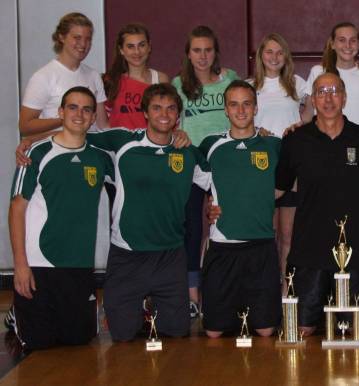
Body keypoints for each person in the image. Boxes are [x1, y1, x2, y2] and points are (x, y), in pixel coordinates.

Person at [277, 73, 359, 335]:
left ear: (344, 97)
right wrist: (225, 206)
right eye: (321, 92)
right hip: (309, 252)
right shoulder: (295, 141)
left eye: (334, 91)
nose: (328, 98)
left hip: (357, 252)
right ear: (313, 99)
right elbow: (275, 190)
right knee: (301, 330)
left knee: (352, 330)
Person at [88, 84, 209, 341]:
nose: (164, 114)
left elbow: (216, 182)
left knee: (177, 331)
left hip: (169, 257)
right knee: (122, 334)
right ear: (145, 112)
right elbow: (75, 135)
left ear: (178, 116)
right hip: (127, 256)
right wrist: (33, 141)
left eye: (170, 108)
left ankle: (153, 306)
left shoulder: (188, 153)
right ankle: (140, 307)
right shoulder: (122, 142)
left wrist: (217, 206)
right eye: (156, 108)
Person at [9, 87, 112, 350]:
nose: (79, 114)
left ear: (92, 118)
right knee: (39, 343)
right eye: (72, 107)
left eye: (87, 109)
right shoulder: (37, 153)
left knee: (78, 340)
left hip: (79, 265)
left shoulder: (100, 158)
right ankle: (16, 313)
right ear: (61, 112)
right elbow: (17, 209)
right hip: (39, 264)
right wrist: (21, 265)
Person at [198, 80, 281, 338]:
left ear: (256, 108)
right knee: (213, 332)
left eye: (247, 104)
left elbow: (288, 185)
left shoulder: (274, 145)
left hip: (261, 246)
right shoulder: (210, 146)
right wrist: (208, 209)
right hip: (223, 246)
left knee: (266, 331)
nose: (241, 110)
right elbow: (199, 185)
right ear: (225, 109)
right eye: (234, 104)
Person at [172, 25, 239, 317]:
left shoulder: (230, 79)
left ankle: (226, 287)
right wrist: (177, 134)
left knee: (224, 224)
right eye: (197, 50)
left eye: (208, 50)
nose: (202, 56)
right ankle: (191, 294)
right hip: (191, 161)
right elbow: (169, 120)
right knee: (191, 227)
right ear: (188, 53)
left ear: (216, 53)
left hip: (223, 162)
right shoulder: (178, 84)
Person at [250, 33, 305, 282]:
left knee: (289, 235)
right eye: (269, 52)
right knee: (265, 234)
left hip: (290, 166)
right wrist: (254, 130)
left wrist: (300, 125)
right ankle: (266, 287)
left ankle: (287, 288)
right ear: (261, 55)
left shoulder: (297, 83)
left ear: (286, 57)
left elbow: (317, 109)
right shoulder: (249, 86)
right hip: (261, 166)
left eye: (279, 52)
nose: (274, 57)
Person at [19, 12, 108, 140]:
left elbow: (102, 125)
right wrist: (66, 119)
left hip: (89, 151)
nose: (83, 44)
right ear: (61, 37)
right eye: (77, 38)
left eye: (87, 39)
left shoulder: (93, 76)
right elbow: (25, 126)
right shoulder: (43, 77)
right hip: (57, 152)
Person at [302, 22, 359, 131]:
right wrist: (295, 127)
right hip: (324, 141)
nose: (348, 45)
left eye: (353, 40)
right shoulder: (317, 72)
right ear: (332, 44)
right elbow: (308, 115)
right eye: (342, 40)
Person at [103, 23, 169, 129]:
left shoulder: (160, 79)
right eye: (130, 47)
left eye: (142, 45)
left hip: (150, 144)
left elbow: (169, 118)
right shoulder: (111, 81)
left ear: (149, 46)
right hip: (119, 144)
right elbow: (103, 124)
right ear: (121, 50)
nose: (137, 52)